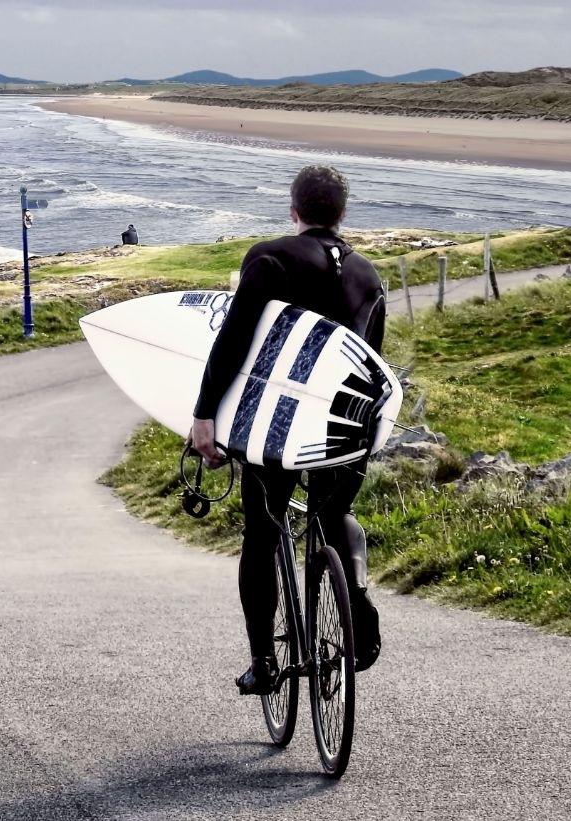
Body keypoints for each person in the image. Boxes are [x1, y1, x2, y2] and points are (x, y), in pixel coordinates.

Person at [189, 165, 386, 695]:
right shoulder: (369, 277)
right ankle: (358, 597)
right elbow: (373, 367)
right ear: (342, 214)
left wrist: (205, 415)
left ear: (293, 209)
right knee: (336, 513)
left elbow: (233, 343)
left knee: (263, 530)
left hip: (278, 430)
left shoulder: (270, 257)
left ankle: (264, 662)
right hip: (342, 433)